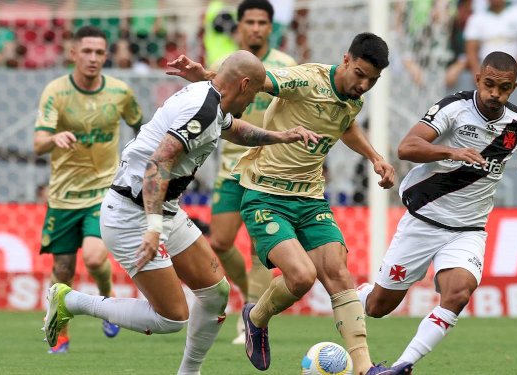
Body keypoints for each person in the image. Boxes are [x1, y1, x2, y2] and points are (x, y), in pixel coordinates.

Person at [42, 50, 320, 374]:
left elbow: (235, 130)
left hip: (161, 208)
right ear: (244, 84)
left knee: (216, 293)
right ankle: (70, 301)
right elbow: (158, 164)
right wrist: (153, 228)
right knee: (171, 318)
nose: (254, 100)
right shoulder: (202, 108)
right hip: (133, 214)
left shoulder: (212, 100)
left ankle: (189, 372)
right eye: (255, 92)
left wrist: (280, 137)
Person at [166, 33, 409, 375]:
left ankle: (365, 368)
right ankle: (256, 316)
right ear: (345, 59)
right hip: (265, 194)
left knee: (339, 274)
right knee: (302, 277)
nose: (364, 84)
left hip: (309, 197)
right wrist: (207, 75)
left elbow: (345, 124)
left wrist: (375, 157)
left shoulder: (353, 98)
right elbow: (254, 80)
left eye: (372, 79)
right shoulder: (306, 79)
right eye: (359, 74)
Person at [355, 51, 517, 371]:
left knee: (457, 294)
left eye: (504, 88)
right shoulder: (453, 109)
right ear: (477, 80)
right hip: (424, 220)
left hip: (468, 230)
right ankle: (356, 296)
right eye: (489, 85)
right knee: (377, 307)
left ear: (513, 88)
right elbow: (407, 147)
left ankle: (403, 365)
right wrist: (451, 151)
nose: (495, 94)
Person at [33, 25, 143, 354]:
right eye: (87, 52)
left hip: (104, 191)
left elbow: (143, 127)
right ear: (73, 53)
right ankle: (61, 334)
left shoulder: (121, 92)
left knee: (95, 258)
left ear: (106, 55)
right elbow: (38, 142)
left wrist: (137, 164)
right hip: (63, 196)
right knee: (63, 269)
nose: (93, 58)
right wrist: (54, 138)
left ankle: (107, 303)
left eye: (99, 52)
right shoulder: (56, 91)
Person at [208, 0, 297, 346]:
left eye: (263, 22)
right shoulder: (224, 66)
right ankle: (248, 290)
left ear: (270, 27)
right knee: (220, 241)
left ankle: (249, 318)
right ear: (240, 27)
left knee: (260, 248)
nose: (256, 28)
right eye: (250, 22)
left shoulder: (287, 67)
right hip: (230, 166)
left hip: (269, 169)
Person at [464, 0, 517, 76]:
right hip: (487, 76)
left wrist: (514, 70)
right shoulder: (476, 18)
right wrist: (478, 73)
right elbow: (471, 50)